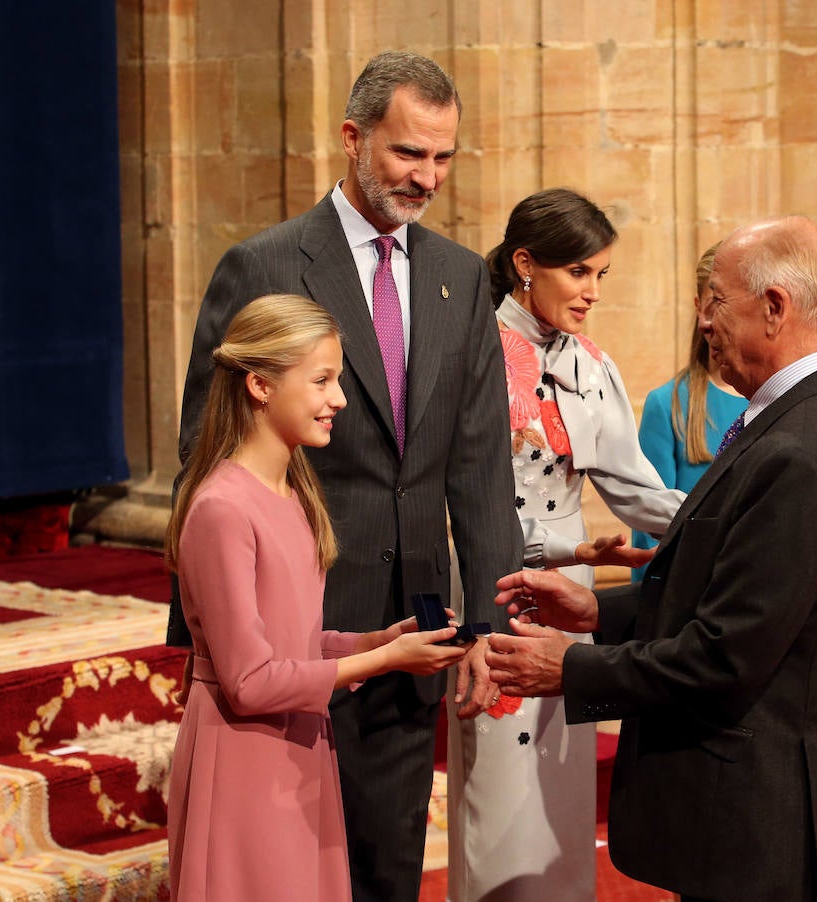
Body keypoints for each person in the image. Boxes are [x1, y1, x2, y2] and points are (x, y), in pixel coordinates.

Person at [166, 52, 522, 902]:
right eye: (408, 154)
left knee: (384, 871)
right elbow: (204, 449)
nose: (427, 177)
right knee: (286, 871)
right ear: (353, 139)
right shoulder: (264, 265)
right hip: (296, 625)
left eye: (443, 158)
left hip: (410, 629)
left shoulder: (460, 276)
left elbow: (479, 461)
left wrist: (490, 624)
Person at [484, 216, 817, 902]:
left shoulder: (800, 452)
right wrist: (597, 610)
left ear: (774, 308)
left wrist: (572, 668)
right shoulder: (811, 417)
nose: (702, 322)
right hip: (748, 800)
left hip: (755, 806)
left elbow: (726, 655)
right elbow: (723, 590)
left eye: (715, 303)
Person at [164, 294, 469, 901]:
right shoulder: (222, 509)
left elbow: (296, 643)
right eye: (322, 381)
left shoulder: (295, 493)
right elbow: (250, 680)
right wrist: (385, 661)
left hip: (299, 743)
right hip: (244, 757)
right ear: (260, 385)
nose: (340, 400)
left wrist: (375, 640)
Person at [445, 187, 685, 901]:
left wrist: (731, 520)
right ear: (526, 263)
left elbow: (636, 489)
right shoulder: (473, 355)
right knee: (499, 787)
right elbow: (458, 505)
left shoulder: (590, 364)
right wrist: (567, 554)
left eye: (601, 276)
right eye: (579, 272)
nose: (592, 292)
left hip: (572, 604)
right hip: (499, 589)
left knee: (561, 788)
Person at [629, 241, 747, 581]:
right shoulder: (668, 404)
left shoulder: (772, 402)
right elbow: (649, 528)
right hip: (687, 591)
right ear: (699, 308)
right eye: (715, 303)